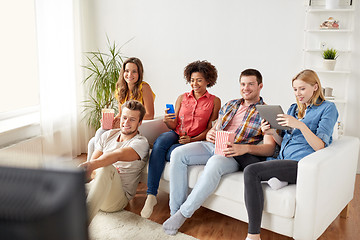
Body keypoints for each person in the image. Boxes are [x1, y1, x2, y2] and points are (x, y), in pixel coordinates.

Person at [162, 69, 276, 235]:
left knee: (215, 163)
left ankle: (183, 214)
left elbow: (270, 148)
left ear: (260, 86)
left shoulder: (266, 112)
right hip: (212, 145)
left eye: (251, 84)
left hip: (233, 153)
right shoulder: (230, 104)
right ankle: (174, 211)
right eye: (243, 84)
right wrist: (210, 133)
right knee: (177, 154)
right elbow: (214, 129)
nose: (246, 88)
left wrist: (242, 148)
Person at [243, 69, 338, 240]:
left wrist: (300, 125)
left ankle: (253, 235)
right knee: (241, 154)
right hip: (282, 158)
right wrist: (272, 132)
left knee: (251, 171)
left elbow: (321, 147)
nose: (298, 93)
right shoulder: (294, 108)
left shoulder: (328, 108)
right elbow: (284, 141)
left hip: (300, 163)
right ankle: (276, 178)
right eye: (295, 89)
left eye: (302, 89)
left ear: (315, 87)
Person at [140, 60, 221, 218]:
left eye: (198, 80)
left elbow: (211, 129)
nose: (194, 84)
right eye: (192, 80)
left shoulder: (214, 101)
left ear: (208, 81)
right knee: (160, 142)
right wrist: (167, 120)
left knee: (171, 152)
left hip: (196, 139)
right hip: (176, 133)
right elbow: (173, 124)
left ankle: (168, 153)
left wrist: (192, 140)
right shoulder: (182, 98)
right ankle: (151, 195)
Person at [79, 100, 150, 224]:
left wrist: (103, 168)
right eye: (124, 117)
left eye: (132, 120)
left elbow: (117, 155)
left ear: (140, 123)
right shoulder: (108, 135)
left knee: (107, 168)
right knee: (63, 195)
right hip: (98, 187)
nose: (126, 122)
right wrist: (98, 169)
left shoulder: (140, 143)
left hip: (117, 199)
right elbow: (93, 169)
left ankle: (82, 225)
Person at [87, 57, 155, 161]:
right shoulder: (120, 89)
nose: (130, 75)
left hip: (136, 125)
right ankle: (91, 169)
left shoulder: (144, 87)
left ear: (139, 74)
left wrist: (127, 119)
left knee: (101, 133)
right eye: (127, 71)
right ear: (123, 72)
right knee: (95, 139)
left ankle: (93, 166)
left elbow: (150, 114)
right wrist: (112, 121)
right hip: (124, 124)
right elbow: (120, 113)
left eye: (134, 72)